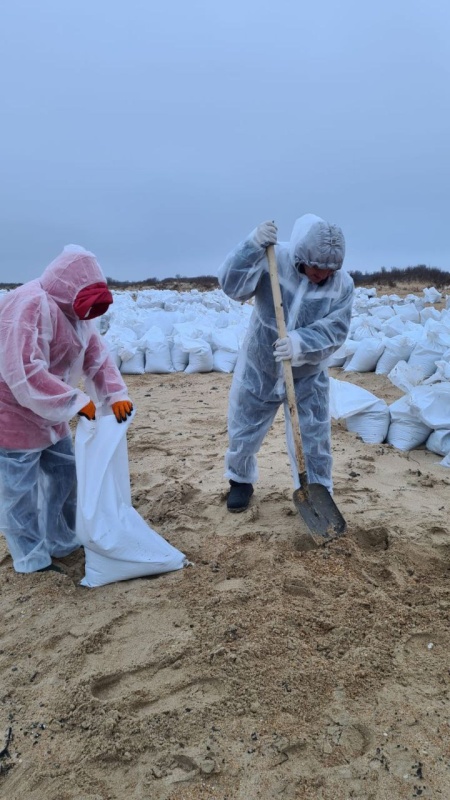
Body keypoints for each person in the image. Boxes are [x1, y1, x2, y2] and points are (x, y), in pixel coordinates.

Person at [0, 245, 133, 573]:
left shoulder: (78, 315)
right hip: (11, 410)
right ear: (68, 287)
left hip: (49, 408)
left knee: (64, 474)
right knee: (20, 488)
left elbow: (96, 357)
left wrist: (114, 394)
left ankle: (61, 539)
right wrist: (75, 401)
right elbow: (23, 372)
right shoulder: (28, 305)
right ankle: (30, 557)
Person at [218, 213, 354, 512]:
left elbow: (337, 329)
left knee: (314, 438)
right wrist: (251, 246)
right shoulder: (273, 258)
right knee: (244, 426)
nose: (322, 275)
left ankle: (318, 490)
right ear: (302, 256)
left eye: (330, 270)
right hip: (261, 365)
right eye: (317, 267)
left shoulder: (342, 285)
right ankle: (240, 480)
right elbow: (233, 287)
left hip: (308, 373)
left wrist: (300, 343)